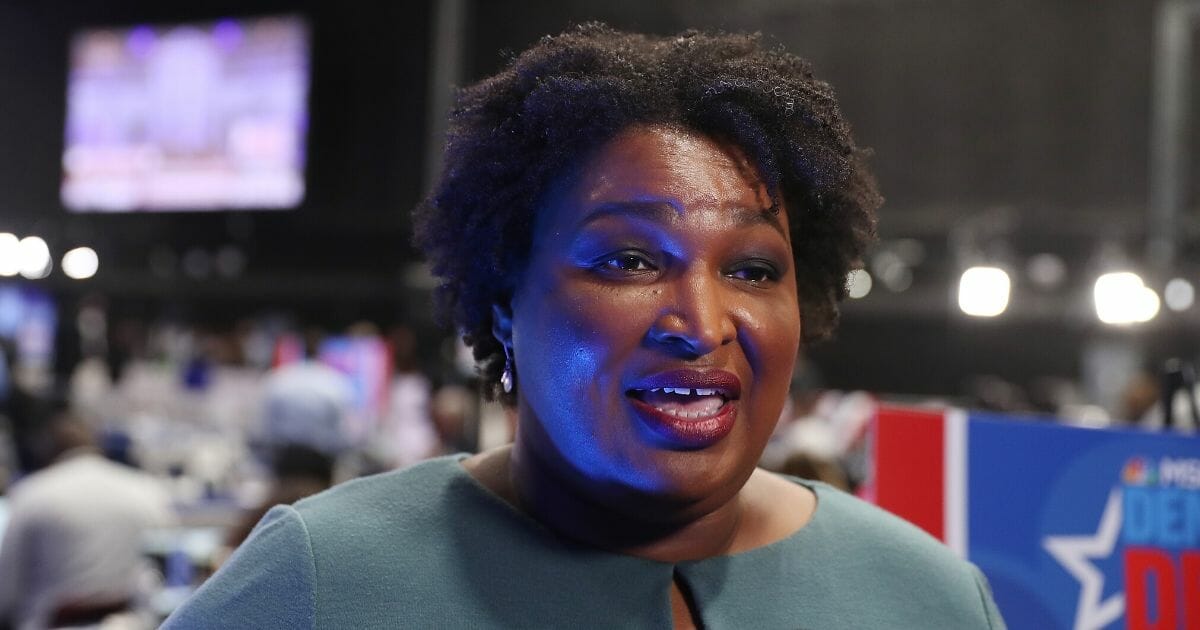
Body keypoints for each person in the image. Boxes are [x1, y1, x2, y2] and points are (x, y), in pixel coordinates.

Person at [164, 24, 1006, 628]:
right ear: (503, 298)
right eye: (628, 262)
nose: (701, 323)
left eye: (751, 269)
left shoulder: (926, 596)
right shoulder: (323, 579)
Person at [0, 412, 173, 630]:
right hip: (129, 623)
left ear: (47, 450)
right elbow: (165, 569)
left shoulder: (31, 494)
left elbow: (5, 590)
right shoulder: (146, 490)